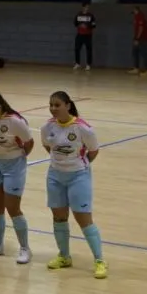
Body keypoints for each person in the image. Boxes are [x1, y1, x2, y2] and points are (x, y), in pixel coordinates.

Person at [40, 91, 106, 279]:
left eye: (57, 105)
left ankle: (100, 260)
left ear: (68, 106)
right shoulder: (47, 127)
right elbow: (47, 146)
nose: (53, 109)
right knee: (59, 218)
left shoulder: (83, 128)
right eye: (51, 105)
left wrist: (76, 165)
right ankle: (64, 256)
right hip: (55, 176)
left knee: (84, 219)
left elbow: (93, 151)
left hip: (78, 176)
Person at [0, 93, 34, 263]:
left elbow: (29, 142)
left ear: (0, 108)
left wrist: (20, 157)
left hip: (14, 165)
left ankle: (25, 248)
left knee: (12, 207)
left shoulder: (16, 121)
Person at [129, 7, 147, 77]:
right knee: (135, 52)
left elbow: (141, 28)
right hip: (137, 38)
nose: (133, 14)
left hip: (142, 38)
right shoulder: (136, 17)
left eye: (134, 11)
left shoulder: (140, 17)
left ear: (136, 10)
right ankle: (136, 68)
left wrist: (137, 39)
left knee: (144, 54)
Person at [73, 3, 95, 71]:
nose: (86, 8)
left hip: (88, 35)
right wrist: (80, 25)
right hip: (80, 34)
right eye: (85, 7)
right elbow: (75, 23)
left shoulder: (91, 16)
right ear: (82, 7)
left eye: (87, 7)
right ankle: (77, 63)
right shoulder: (78, 15)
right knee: (77, 48)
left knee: (89, 50)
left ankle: (88, 64)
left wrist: (87, 26)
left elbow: (94, 25)